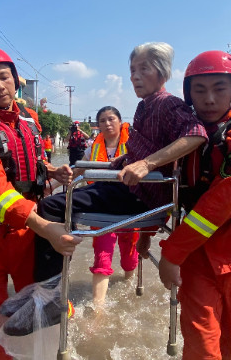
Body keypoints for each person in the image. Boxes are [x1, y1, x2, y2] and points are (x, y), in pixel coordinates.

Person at [0, 45, 82, 360]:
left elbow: (29, 163)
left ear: (16, 79)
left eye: (4, 76)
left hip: (30, 233)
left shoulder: (30, 121)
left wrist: (52, 171)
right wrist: (46, 227)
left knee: (43, 313)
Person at [35, 42, 207, 282]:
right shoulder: (143, 107)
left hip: (141, 196)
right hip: (124, 187)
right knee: (65, 196)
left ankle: (47, 291)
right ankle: (58, 271)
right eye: (132, 71)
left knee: (51, 207)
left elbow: (196, 134)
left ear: (162, 72)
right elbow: (143, 149)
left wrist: (147, 164)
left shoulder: (168, 103)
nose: (135, 77)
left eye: (143, 69)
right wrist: (122, 160)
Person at [154, 50, 231, 360]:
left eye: (219, 89)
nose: (209, 99)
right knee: (200, 348)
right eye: (199, 90)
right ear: (188, 94)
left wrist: (171, 252)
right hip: (197, 256)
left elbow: (220, 203)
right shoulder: (185, 137)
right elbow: (160, 181)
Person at [75, 106, 138, 307]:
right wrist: (55, 184)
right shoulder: (92, 148)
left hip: (128, 207)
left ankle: (129, 288)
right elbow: (78, 170)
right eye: (102, 120)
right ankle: (98, 308)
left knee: (129, 252)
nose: (107, 124)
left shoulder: (135, 146)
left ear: (120, 121)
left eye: (111, 119)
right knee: (102, 253)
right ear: (98, 125)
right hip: (101, 207)